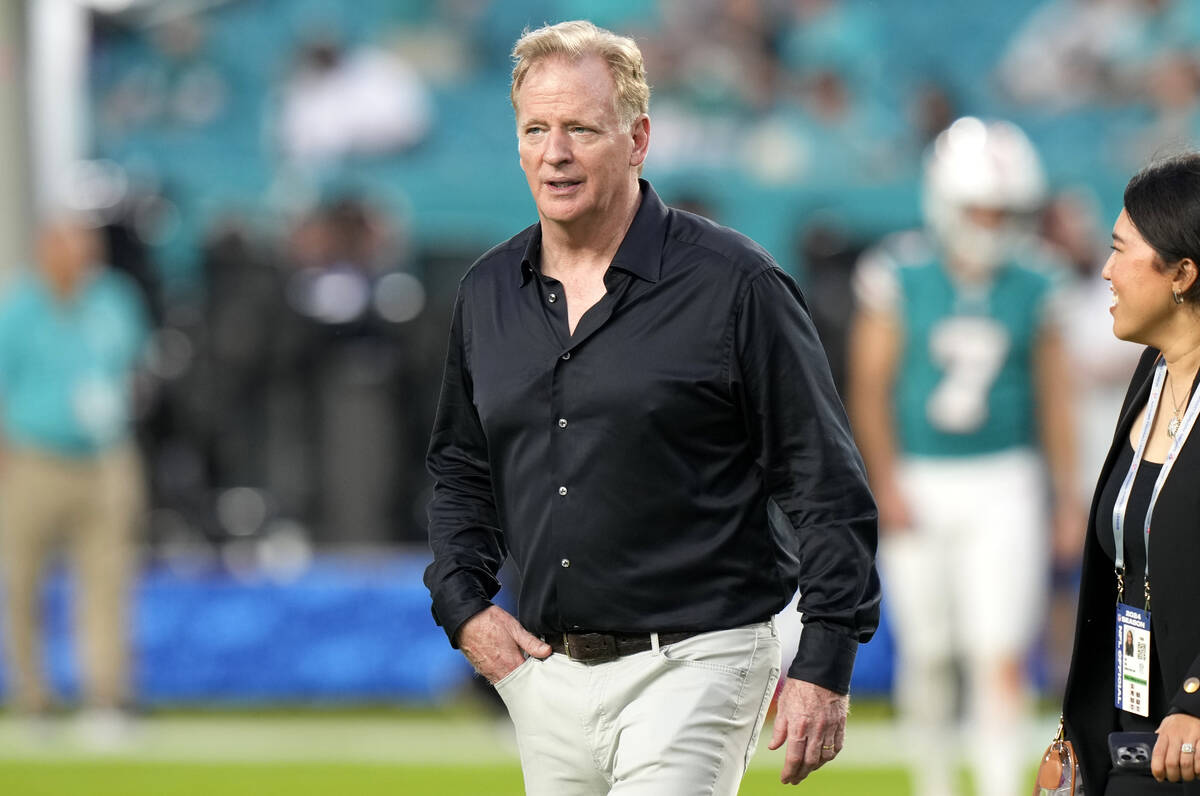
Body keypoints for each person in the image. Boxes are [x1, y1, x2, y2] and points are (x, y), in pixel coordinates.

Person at [423, 19, 879, 795]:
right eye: (535, 128)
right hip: (547, 672)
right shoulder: (487, 292)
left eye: (579, 129)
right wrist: (464, 607)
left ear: (637, 139)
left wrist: (826, 658)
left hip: (699, 656)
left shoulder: (736, 286)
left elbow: (822, 478)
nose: (554, 152)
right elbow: (460, 468)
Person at [847, 117, 1083, 796]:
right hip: (921, 475)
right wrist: (885, 478)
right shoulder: (898, 271)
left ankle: (998, 784)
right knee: (930, 652)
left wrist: (1067, 496)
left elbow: (1055, 398)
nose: (991, 222)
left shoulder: (1036, 280)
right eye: (980, 207)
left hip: (1006, 475)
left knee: (999, 648)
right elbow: (870, 385)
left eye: (1003, 210)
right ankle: (935, 785)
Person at [1062, 152, 1200, 794]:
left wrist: (1199, 696)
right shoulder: (1152, 373)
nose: (1107, 272)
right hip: (1132, 734)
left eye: (1121, 251)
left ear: (1183, 273)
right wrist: (1078, 736)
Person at [0, 216, 150, 734]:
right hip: (34, 457)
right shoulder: (18, 310)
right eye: (71, 246)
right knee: (23, 582)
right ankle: (33, 698)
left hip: (105, 457)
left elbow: (131, 369)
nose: (82, 257)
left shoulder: (114, 299)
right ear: (47, 250)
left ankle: (106, 698)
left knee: (108, 580)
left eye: (88, 247)